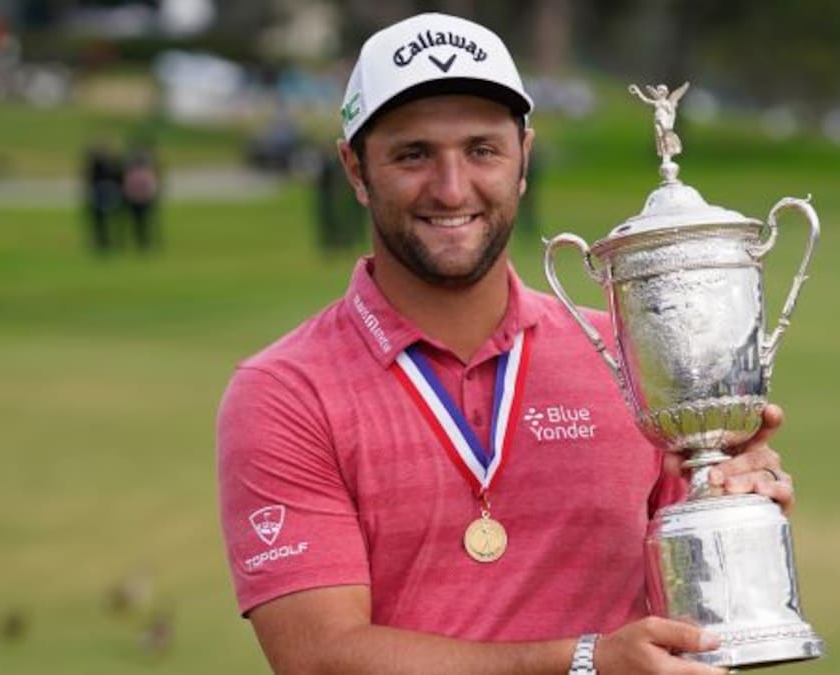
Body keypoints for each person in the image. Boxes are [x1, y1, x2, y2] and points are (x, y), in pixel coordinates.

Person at [216, 13, 797, 675]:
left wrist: (731, 502)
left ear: (523, 157)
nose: (452, 188)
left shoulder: (630, 357)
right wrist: (584, 662)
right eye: (413, 154)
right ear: (355, 166)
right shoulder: (286, 391)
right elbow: (321, 657)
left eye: (481, 149)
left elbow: (700, 627)